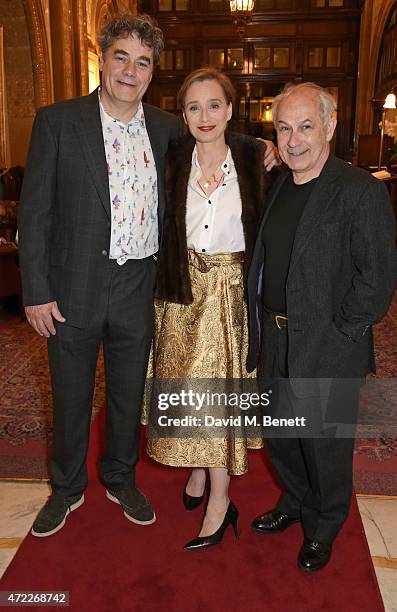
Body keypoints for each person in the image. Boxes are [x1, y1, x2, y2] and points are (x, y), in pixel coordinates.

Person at [19, 13, 181, 537]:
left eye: (143, 62)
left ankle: (119, 476)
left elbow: (216, 158)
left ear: (152, 73)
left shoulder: (167, 128)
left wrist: (265, 155)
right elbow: (36, 213)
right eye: (122, 57)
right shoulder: (58, 121)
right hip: (73, 287)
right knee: (69, 394)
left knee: (128, 393)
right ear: (103, 59)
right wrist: (37, 293)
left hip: (139, 284)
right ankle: (66, 490)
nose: (131, 72)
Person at [246, 82, 396, 571]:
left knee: (325, 446)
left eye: (306, 127)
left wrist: (340, 333)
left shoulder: (360, 190)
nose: (294, 140)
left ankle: (325, 523)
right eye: (284, 129)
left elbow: (377, 280)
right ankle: (295, 500)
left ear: (330, 127)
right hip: (275, 337)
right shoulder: (278, 185)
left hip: (329, 343)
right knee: (281, 434)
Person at [146, 68, 274, 550]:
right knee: (186, 387)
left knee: (217, 393)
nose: (205, 116)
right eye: (194, 107)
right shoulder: (173, 157)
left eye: (214, 105)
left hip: (227, 291)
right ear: (183, 114)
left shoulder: (254, 156)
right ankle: (200, 468)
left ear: (230, 109)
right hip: (180, 291)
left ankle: (221, 500)